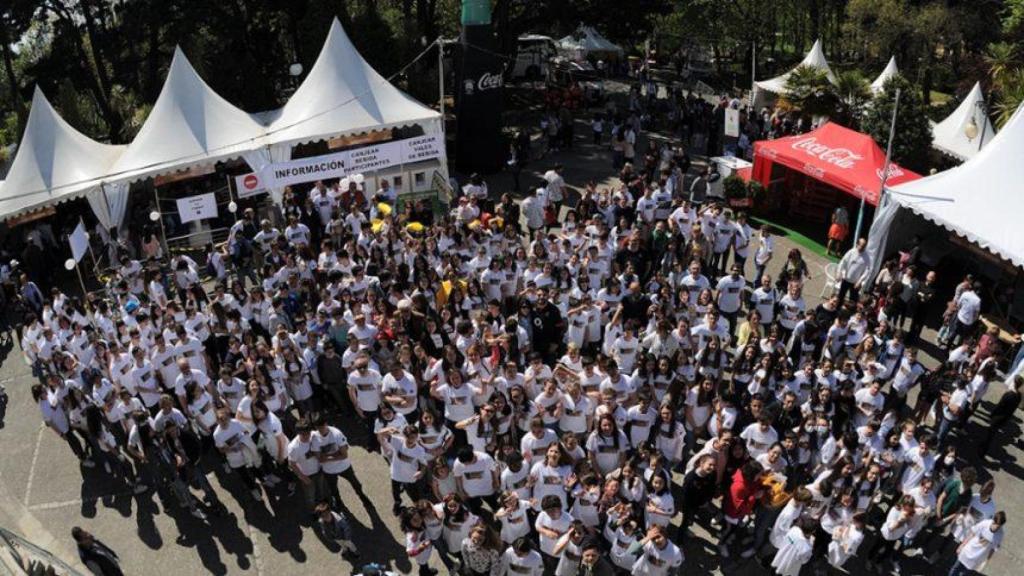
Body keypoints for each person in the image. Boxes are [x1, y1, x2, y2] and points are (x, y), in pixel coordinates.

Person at [836, 238, 871, 306]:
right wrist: (839, 273)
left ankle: (850, 311)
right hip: (846, 279)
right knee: (840, 297)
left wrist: (860, 281)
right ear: (857, 244)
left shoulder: (867, 257)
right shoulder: (851, 252)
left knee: (853, 300)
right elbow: (843, 262)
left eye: (864, 246)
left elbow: (867, 270)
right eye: (861, 245)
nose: (862, 248)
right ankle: (837, 309)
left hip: (856, 283)